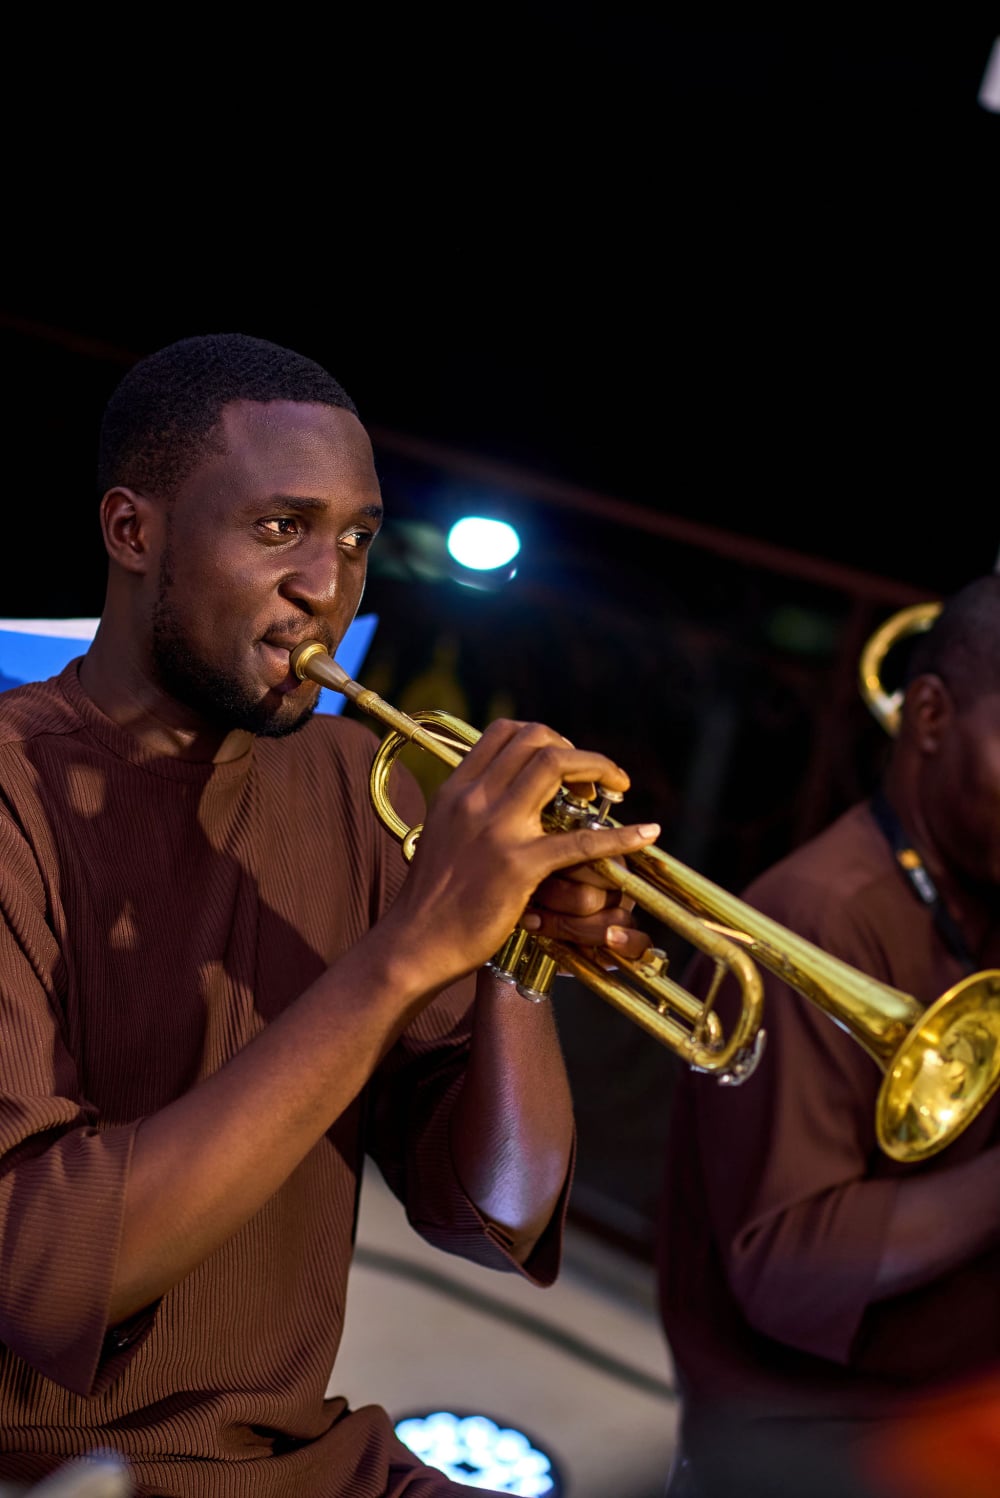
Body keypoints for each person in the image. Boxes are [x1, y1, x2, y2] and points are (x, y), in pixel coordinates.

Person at [0, 332, 661, 1496]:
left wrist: (516, 956)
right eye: (278, 529)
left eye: (356, 539)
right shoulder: (11, 784)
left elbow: (488, 1219)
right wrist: (409, 948)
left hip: (304, 1460)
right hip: (59, 1467)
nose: (329, 585)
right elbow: (49, 1273)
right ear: (131, 532)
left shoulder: (364, 783)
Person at [657, 574, 1000, 1494]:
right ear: (929, 717)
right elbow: (787, 1268)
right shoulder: (817, 918)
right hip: (814, 1452)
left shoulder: (981, 886)